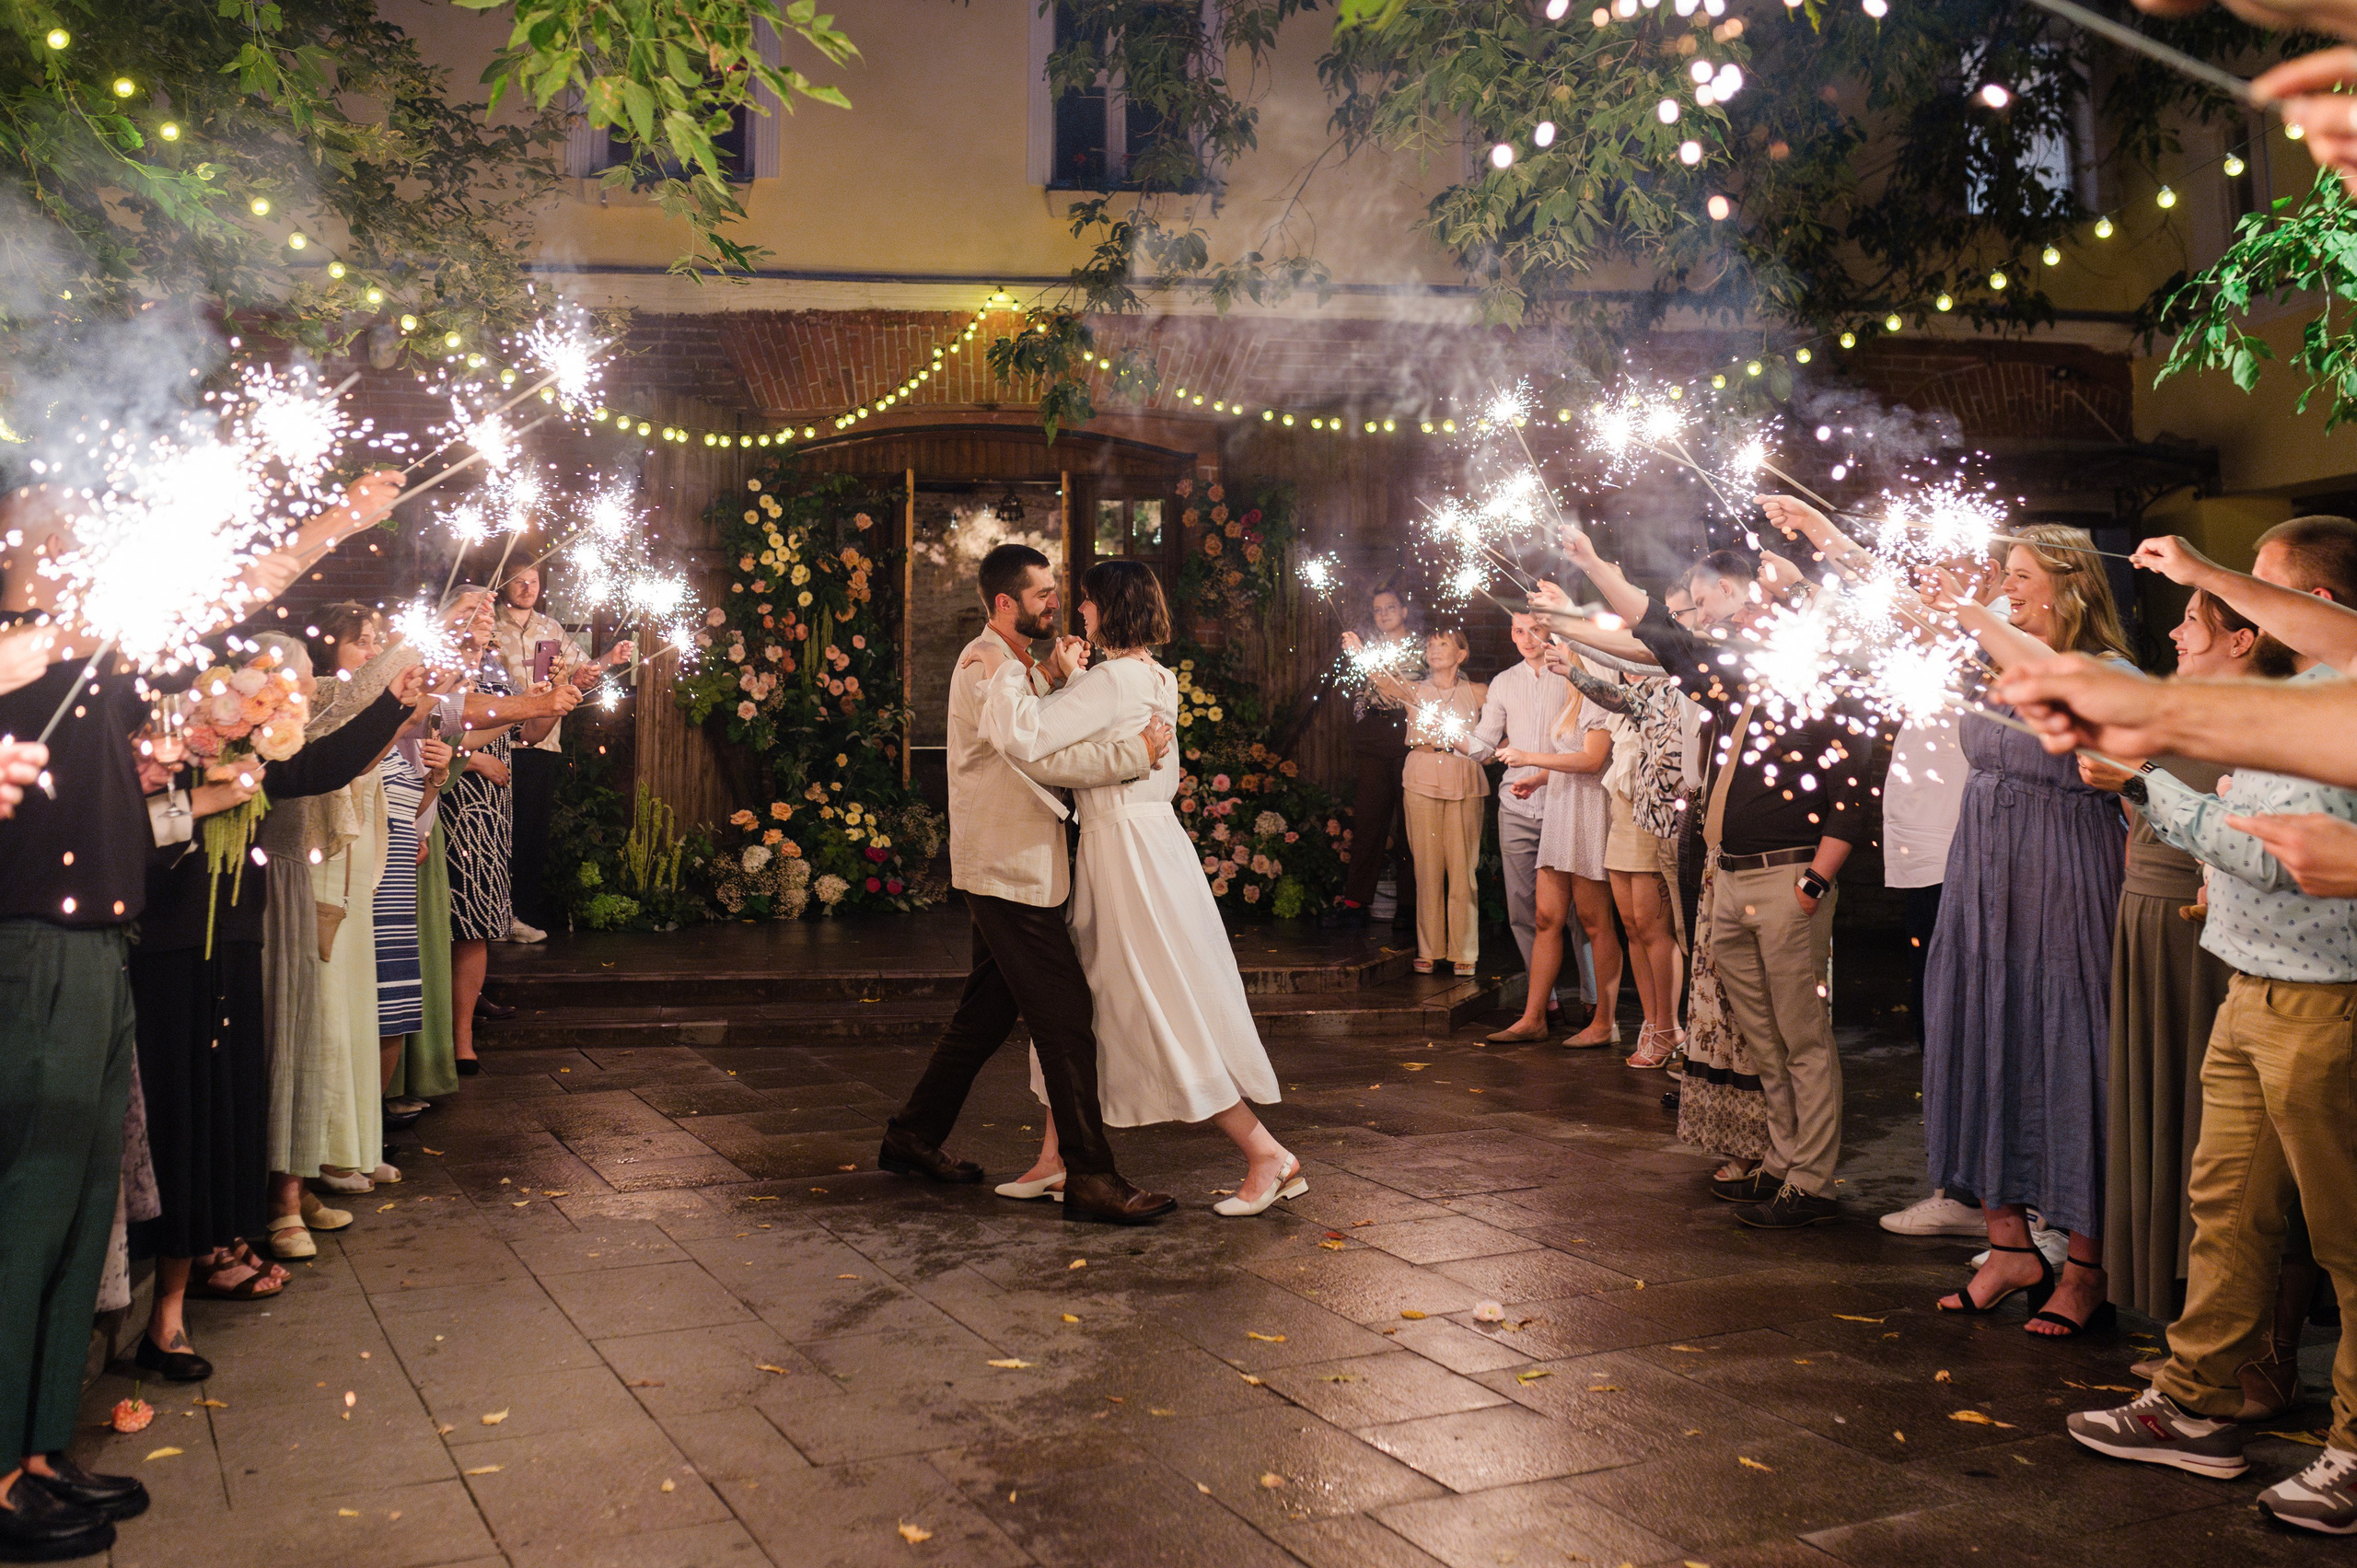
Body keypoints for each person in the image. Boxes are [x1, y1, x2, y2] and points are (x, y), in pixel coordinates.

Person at [129, 632, 424, 1372]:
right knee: (181, 1119)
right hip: (167, 946)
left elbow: (318, 766)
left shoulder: (256, 757)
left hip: (235, 937)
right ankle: (165, 1308)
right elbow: (129, 832)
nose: (277, 707)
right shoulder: (161, 743)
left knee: (226, 1108)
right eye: (270, 694)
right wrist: (201, 799)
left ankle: (193, 1281)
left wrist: (395, 702)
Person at [1565, 527, 1875, 1227]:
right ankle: (1782, 1159)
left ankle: (1814, 1180)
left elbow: (1855, 793)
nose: (1742, 622)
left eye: (1759, 612)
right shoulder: (1742, 680)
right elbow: (1660, 634)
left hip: (1789, 876)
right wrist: (1593, 565)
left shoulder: (1827, 687)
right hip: (1731, 876)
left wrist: (1816, 881)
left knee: (1800, 1036)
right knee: (1762, 1035)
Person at [977, 560, 1295, 1214]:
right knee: (1085, 1003)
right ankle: (1055, 1156)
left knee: (1153, 1005)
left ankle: (1266, 1153)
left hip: (1124, 856)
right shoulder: (1154, 675)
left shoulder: (1113, 682)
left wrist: (1033, 680)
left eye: (1087, 601)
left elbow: (1026, 737)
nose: (1078, 611)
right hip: (1148, 845)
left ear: (1110, 608)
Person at [879, 542, 1178, 1225]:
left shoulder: (1016, 664)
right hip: (1005, 869)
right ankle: (1091, 1177)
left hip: (1022, 866)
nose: (1059, 602)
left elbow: (1032, 722)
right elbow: (1030, 748)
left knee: (982, 1017)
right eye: (1045, 593)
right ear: (1006, 602)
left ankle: (911, 1135)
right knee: (1066, 1018)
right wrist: (1133, 753)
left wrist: (1048, 673)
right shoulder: (985, 662)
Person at [1919, 527, 2137, 1335]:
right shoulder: (1993, 660)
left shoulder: (2103, 670)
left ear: (2068, 583)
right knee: (1984, 1032)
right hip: (1984, 875)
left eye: (2020, 575)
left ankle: (2086, 1267)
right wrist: (1830, 539)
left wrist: (1973, 610)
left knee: (2069, 1048)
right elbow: (1913, 607)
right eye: (2001, 576)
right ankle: (2007, 1245)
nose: (2005, 587)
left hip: (2065, 878)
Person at [2093, 590, 2290, 1328]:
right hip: (2148, 909)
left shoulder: (2267, 720)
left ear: (2241, 641)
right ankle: (2194, 1325)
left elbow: (2246, 843)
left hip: (2208, 926)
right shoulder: (2170, 702)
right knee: (2171, 1118)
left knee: (2228, 1149)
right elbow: (2134, 814)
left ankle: (2248, 1336)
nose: (2174, 632)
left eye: (2192, 621)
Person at [442, 586, 579, 1074]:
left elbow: (528, 734)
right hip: (449, 798)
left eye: (486, 609)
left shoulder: (495, 665)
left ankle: (463, 1037)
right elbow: (431, 733)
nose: (486, 616)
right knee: (446, 919)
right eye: (475, 609)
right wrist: (473, 755)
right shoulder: (439, 666)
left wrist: (544, 705)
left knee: (477, 921)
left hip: (491, 807)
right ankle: (439, 1034)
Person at [1554, 646, 1689, 1066]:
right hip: (1621, 815)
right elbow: (1603, 680)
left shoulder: (1666, 690)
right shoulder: (1622, 687)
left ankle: (1669, 1026)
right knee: (1630, 925)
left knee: (1653, 926)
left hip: (1653, 818)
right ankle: (1652, 1024)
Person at [1487, 650, 1624, 1046]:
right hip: (1561, 808)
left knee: (1595, 921)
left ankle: (1604, 1022)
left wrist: (1529, 758)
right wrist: (1540, 779)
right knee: (1546, 917)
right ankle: (1534, 1018)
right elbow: (1568, 758)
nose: (1553, 659)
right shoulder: (1571, 700)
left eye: (1561, 652)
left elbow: (1593, 759)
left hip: (1588, 811)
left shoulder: (1599, 699)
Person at [488, 563, 629, 941]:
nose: (527, 587)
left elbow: (583, 672)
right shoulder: (487, 626)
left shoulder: (551, 629)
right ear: (505, 584)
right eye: (520, 580)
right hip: (493, 742)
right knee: (496, 831)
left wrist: (609, 659)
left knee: (530, 834)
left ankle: (523, 915)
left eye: (533, 581)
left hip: (542, 742)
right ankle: (490, 917)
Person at [1468, 612, 1578, 1024]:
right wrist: (1455, 735)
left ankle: (1591, 1000)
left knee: (1578, 912)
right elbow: (1482, 743)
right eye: (1518, 630)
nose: (1527, 638)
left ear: (1549, 629)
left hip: (1565, 799)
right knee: (1522, 907)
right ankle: (1542, 998)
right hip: (1516, 805)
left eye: (1535, 629)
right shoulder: (1504, 682)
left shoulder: (1570, 671)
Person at [1377, 628, 1487, 974]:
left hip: (1464, 775)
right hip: (1423, 773)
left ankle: (1464, 951)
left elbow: (1513, 714)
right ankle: (1429, 948)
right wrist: (1359, 648)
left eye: (1443, 644)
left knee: (1462, 869)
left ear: (1461, 654)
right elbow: (1380, 678)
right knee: (1426, 868)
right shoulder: (1415, 690)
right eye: (1429, 644)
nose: (1434, 649)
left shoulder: (1479, 692)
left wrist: (1499, 748)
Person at [1328, 585, 1420, 928]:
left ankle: (1411, 905)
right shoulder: (1372, 647)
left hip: (1408, 735)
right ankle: (1355, 901)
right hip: (1374, 734)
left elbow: (1405, 691)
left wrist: (1364, 657)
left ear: (1405, 610)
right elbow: (1361, 691)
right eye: (1378, 609)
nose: (1383, 614)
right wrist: (1361, 716)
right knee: (1368, 820)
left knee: (1410, 823)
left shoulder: (1421, 648)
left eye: (1390, 607)